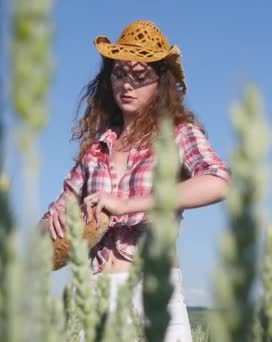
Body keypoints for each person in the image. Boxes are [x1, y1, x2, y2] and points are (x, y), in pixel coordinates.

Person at [40, 19, 231, 341]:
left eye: (140, 77)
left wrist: (127, 204)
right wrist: (55, 223)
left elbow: (219, 180)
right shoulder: (95, 150)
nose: (126, 85)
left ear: (160, 82)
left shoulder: (178, 134)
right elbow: (45, 225)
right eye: (119, 74)